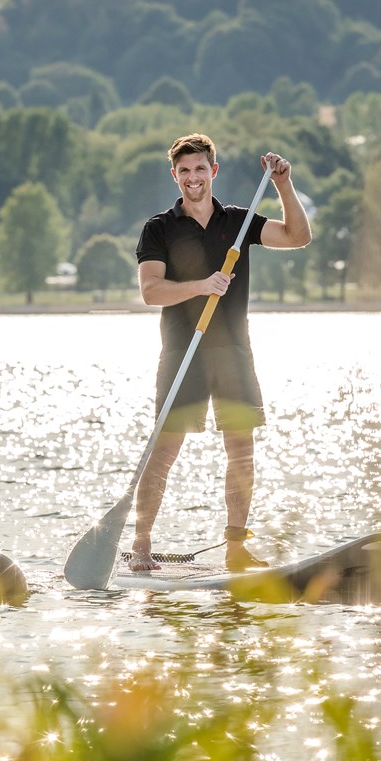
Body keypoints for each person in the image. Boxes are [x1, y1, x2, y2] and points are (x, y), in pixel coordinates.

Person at [128, 134, 311, 573]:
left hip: (233, 352)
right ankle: (141, 545)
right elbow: (151, 291)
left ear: (214, 171)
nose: (194, 177)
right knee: (163, 453)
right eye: (185, 170)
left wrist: (284, 184)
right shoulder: (159, 227)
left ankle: (235, 548)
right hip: (182, 354)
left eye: (200, 168)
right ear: (176, 176)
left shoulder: (239, 222)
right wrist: (201, 285)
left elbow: (297, 237)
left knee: (241, 452)